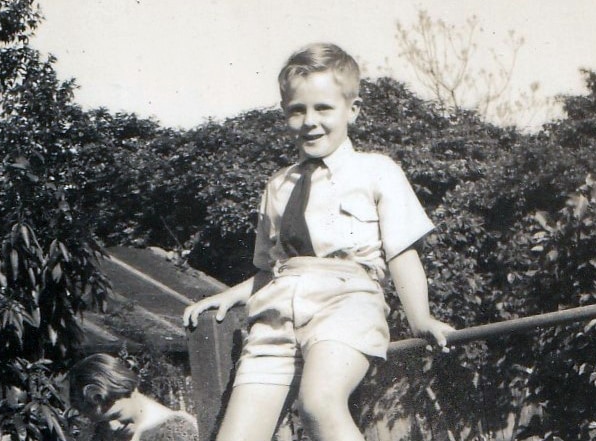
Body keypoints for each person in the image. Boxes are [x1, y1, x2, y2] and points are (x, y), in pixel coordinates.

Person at [182, 42, 454, 441]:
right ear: (285, 113)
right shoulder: (277, 185)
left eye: (323, 108)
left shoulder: (376, 171)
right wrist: (229, 296)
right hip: (275, 316)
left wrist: (420, 318)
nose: (310, 121)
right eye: (298, 110)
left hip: (345, 303)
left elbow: (401, 251)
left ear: (352, 110)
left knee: (319, 402)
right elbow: (271, 269)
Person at [68, 353, 198, 441]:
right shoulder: (115, 432)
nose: (112, 427)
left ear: (131, 389)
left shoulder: (175, 433)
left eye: (117, 416)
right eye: (102, 422)